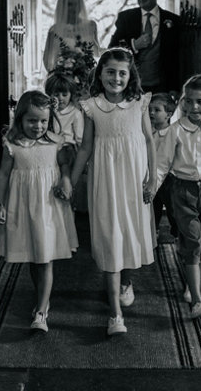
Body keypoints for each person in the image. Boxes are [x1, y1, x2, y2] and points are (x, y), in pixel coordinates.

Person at [64, 48, 156, 337]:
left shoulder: (139, 103)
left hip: (134, 179)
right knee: (110, 235)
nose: (116, 77)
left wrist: (153, 179)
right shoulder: (91, 106)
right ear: (100, 73)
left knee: (131, 235)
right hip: (107, 179)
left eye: (122, 72)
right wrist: (72, 180)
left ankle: (126, 282)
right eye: (110, 71)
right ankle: (115, 314)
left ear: (130, 77)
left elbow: (150, 142)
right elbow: (86, 147)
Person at [0, 91, 78, 333]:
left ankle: (41, 311)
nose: (38, 126)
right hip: (23, 206)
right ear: (20, 119)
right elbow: (2, 174)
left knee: (45, 259)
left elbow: (64, 164)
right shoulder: (12, 144)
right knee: (34, 256)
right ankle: (43, 297)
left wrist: (65, 180)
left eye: (43, 120)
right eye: (32, 120)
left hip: (49, 207)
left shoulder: (55, 141)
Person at [155, 74, 201, 319]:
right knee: (193, 241)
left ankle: (191, 274)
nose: (194, 107)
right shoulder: (175, 131)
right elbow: (162, 164)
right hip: (182, 190)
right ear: (183, 103)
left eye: (200, 101)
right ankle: (198, 300)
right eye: (189, 101)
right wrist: (151, 188)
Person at [108, 0, 182, 93]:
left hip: (162, 88)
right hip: (130, 86)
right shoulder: (126, 18)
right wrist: (134, 45)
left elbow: (179, 58)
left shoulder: (173, 20)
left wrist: (175, 88)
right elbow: (112, 49)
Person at [45, 72, 85, 218]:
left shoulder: (75, 113)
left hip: (68, 149)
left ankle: (68, 193)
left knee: (64, 154)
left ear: (70, 95)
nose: (60, 98)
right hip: (50, 149)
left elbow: (79, 138)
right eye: (56, 94)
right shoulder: (47, 112)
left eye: (64, 94)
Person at [43, 0, 100, 74]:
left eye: (76, 4)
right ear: (62, 6)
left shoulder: (91, 26)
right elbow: (47, 60)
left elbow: (96, 53)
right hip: (64, 77)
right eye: (69, 4)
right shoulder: (54, 30)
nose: (74, 8)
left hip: (87, 76)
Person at [148, 91, 179, 243]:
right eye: (150, 110)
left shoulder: (172, 133)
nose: (152, 113)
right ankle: (153, 232)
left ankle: (178, 234)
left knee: (173, 208)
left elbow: (165, 160)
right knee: (152, 208)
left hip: (168, 179)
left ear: (168, 114)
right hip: (150, 176)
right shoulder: (148, 132)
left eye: (157, 110)